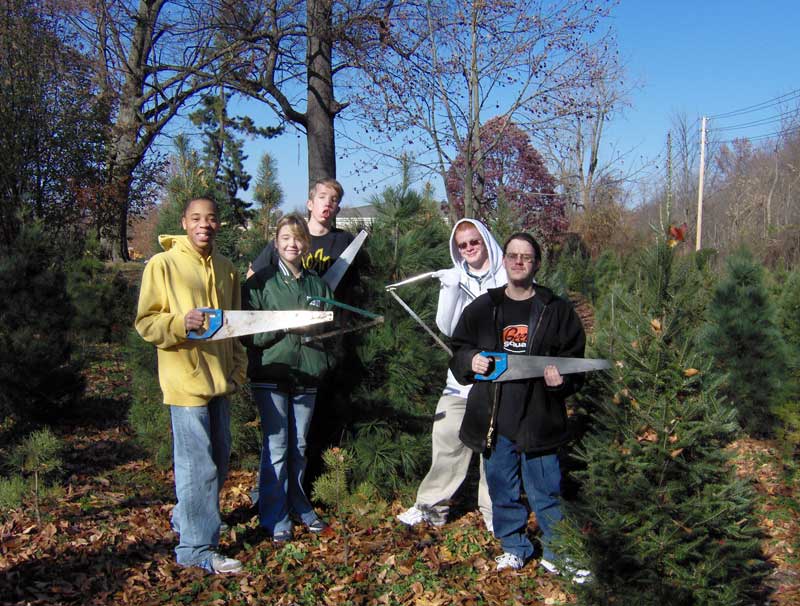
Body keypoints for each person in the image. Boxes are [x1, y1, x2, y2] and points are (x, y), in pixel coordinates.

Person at [449, 232, 590, 581]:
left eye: (526, 257)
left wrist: (564, 381)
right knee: (502, 491)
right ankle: (514, 547)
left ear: (536, 264)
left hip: (539, 418)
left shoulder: (556, 310)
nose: (518, 261)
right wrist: (472, 360)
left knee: (547, 491)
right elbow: (458, 350)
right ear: (504, 260)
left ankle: (559, 553)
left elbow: (574, 361)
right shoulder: (485, 307)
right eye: (513, 255)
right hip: (495, 418)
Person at [135, 197, 247, 575]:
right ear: (184, 222)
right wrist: (181, 323)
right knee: (197, 466)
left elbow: (234, 327)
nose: (204, 224)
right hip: (184, 383)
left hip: (220, 382)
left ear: (219, 224)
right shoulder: (162, 265)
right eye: (196, 218)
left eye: (211, 218)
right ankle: (196, 548)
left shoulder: (227, 269)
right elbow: (147, 323)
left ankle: (189, 518)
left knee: (218, 460)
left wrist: (238, 370)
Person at [397, 219, 507, 532]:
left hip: (498, 381)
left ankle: (494, 513)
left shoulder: (505, 276)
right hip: (461, 380)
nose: (470, 248)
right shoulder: (457, 277)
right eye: (463, 245)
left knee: (493, 448)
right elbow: (446, 328)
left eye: (475, 241)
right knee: (446, 438)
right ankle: (431, 507)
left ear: (486, 240)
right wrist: (449, 287)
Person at [243, 213, 335, 542]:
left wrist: (320, 341)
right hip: (272, 372)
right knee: (277, 446)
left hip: (307, 373)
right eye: (285, 238)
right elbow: (247, 333)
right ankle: (273, 513)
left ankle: (298, 502)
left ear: (306, 243)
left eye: (297, 238)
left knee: (298, 446)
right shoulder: (260, 282)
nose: (292, 244)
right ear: (275, 242)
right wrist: (284, 324)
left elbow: (330, 327)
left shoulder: (316, 284)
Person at [249, 178, 358, 294]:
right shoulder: (287, 239)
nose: (327, 203)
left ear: (337, 210)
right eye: (322, 197)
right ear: (310, 204)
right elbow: (252, 276)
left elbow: (358, 285)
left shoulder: (347, 241)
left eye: (334, 199)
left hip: (333, 310)